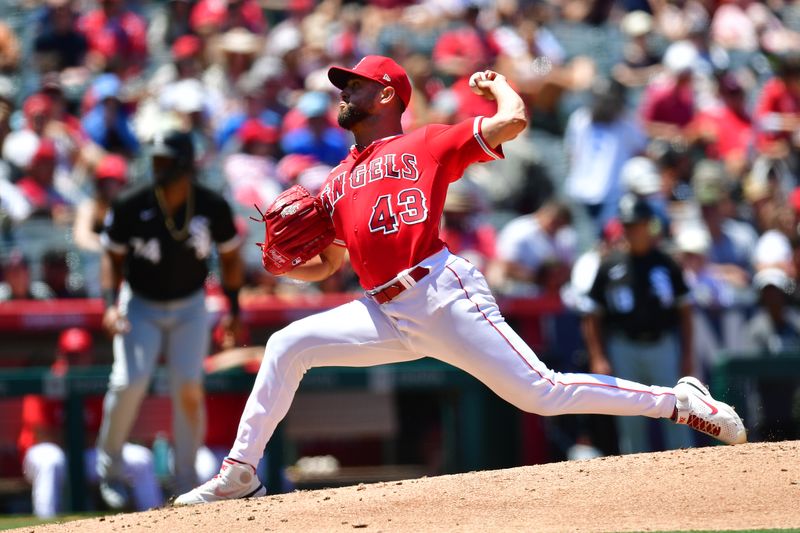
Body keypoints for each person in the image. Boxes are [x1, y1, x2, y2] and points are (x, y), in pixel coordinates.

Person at [174, 56, 746, 506]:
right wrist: (286, 268)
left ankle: (678, 402)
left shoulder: (427, 142)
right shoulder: (338, 179)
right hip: (383, 310)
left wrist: (496, 86)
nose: (343, 93)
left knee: (541, 394)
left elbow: (514, 121)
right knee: (286, 344)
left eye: (354, 85)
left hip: (441, 292)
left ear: (388, 95)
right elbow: (328, 264)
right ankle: (239, 473)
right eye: (342, 86)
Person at [97, 129, 244, 506]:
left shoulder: (211, 204)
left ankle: (185, 482)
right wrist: (110, 305)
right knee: (129, 382)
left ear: (184, 164)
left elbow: (229, 258)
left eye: (165, 160)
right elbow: (111, 258)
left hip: (190, 304)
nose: (157, 166)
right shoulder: (133, 202)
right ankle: (109, 470)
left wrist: (233, 307)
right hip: (140, 302)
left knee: (189, 389)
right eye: (155, 159)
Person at [581, 195, 695, 454]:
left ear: (649, 225)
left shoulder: (666, 263)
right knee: (629, 418)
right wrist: (597, 356)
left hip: (662, 345)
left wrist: (687, 353)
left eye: (638, 224)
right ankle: (635, 482)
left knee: (677, 409)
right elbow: (591, 314)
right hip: (624, 346)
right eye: (628, 225)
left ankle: (687, 469)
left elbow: (686, 310)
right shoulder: (610, 264)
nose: (632, 231)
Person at [18, 328, 162, 518]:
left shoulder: (98, 382)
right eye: (70, 355)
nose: (75, 360)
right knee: (51, 460)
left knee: (140, 459)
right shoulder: (47, 380)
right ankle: (46, 522)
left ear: (90, 356)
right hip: (46, 452)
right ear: (60, 354)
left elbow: (109, 432)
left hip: (87, 453)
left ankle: (160, 522)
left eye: (80, 355)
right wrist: (84, 439)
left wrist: (86, 440)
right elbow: (43, 434)